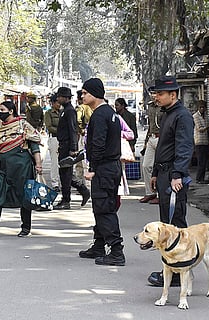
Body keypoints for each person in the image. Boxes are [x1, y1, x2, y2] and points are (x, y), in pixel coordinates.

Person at [146, 75, 194, 286]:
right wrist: (156, 172)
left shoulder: (182, 116)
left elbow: (184, 148)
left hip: (174, 175)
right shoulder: (167, 114)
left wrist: (177, 175)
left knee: (176, 224)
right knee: (166, 225)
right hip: (165, 174)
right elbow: (163, 147)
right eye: (156, 93)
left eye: (160, 93)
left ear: (172, 94)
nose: (157, 97)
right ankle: (171, 268)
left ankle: (179, 272)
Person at [78, 78, 125, 266]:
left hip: (104, 169)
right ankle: (99, 244)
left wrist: (93, 169)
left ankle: (116, 250)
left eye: (84, 93)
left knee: (104, 209)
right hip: (111, 167)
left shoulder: (99, 115)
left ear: (94, 93)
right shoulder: (110, 113)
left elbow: (98, 144)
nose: (82, 96)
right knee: (101, 207)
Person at [0, 101, 42, 238]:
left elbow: (34, 147)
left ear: (11, 111)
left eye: (2, 110)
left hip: (22, 169)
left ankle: (26, 228)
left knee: (25, 198)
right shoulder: (1, 130)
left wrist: (38, 164)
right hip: (4, 169)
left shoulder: (23, 125)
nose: (0, 112)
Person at [54, 87, 90, 210]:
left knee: (66, 173)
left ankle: (67, 199)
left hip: (68, 145)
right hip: (63, 144)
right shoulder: (64, 110)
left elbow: (73, 129)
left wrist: (73, 148)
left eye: (60, 96)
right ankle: (81, 190)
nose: (58, 99)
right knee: (64, 173)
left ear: (66, 97)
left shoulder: (70, 111)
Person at [139, 98, 162, 204]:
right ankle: (150, 192)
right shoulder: (151, 106)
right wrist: (146, 140)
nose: (154, 96)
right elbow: (151, 124)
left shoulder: (164, 106)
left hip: (161, 137)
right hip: (151, 137)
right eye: (152, 93)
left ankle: (161, 194)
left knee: (160, 166)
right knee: (146, 165)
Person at [74, 90, 93, 186]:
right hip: (90, 135)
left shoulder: (80, 108)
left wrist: (80, 130)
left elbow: (77, 120)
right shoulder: (92, 107)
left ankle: (82, 184)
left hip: (82, 136)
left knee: (81, 161)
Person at [43, 94, 61, 191]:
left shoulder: (62, 112)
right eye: (57, 102)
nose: (59, 104)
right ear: (53, 103)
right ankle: (55, 183)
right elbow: (49, 127)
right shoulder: (48, 113)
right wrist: (61, 131)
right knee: (54, 162)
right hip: (54, 138)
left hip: (63, 139)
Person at [192, 100, 209, 184]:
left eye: (203, 107)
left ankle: (202, 178)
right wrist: (208, 127)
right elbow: (200, 129)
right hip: (199, 141)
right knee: (200, 161)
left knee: (204, 161)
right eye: (200, 107)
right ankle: (198, 179)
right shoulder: (195, 116)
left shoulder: (206, 116)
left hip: (205, 141)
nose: (202, 109)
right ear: (198, 108)